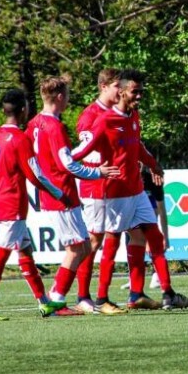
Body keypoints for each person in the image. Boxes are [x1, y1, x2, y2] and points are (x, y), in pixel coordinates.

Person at [72, 69, 188, 310]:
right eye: (134, 91)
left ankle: (151, 294)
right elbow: (82, 152)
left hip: (134, 189)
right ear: (113, 89)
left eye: (140, 91)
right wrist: (66, 165)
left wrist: (152, 165)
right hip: (105, 189)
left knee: (150, 236)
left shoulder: (131, 114)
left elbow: (136, 145)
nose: (139, 96)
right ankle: (90, 298)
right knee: (101, 241)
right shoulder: (97, 117)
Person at [0, 89, 76, 322]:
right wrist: (61, 194)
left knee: (24, 250)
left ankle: (44, 302)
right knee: (1, 253)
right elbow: (35, 175)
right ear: (22, 110)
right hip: (11, 203)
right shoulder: (21, 139)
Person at [26, 76, 119, 316]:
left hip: (55, 192)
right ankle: (56, 300)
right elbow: (67, 164)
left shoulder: (35, 123)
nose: (68, 100)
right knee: (77, 248)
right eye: (66, 95)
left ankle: (62, 297)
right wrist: (97, 172)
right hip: (61, 194)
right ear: (59, 97)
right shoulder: (54, 126)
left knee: (84, 245)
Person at [73, 68, 121, 313]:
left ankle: (102, 295)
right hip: (94, 184)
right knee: (93, 240)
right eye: (116, 86)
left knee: (111, 235)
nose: (120, 91)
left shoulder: (118, 112)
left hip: (113, 186)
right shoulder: (90, 115)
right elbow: (85, 150)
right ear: (103, 87)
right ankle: (82, 296)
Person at [122, 164, 168, 290]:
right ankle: (133, 278)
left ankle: (157, 277)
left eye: (139, 163)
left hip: (149, 221)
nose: (137, 165)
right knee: (131, 244)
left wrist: (166, 237)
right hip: (131, 221)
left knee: (154, 244)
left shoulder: (153, 179)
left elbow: (161, 211)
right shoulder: (124, 179)